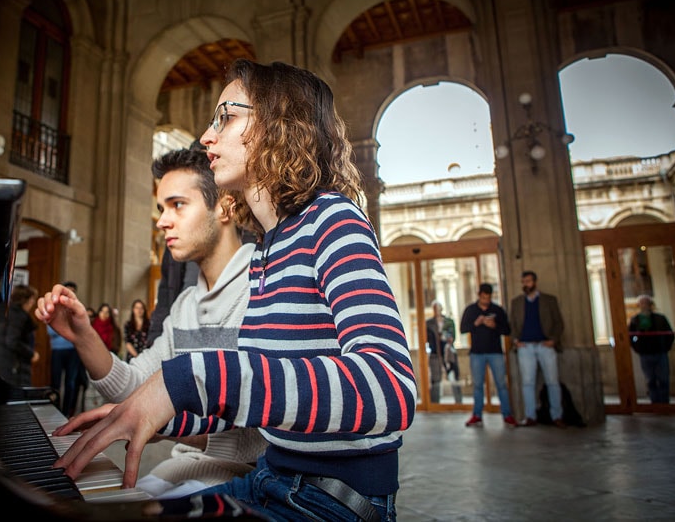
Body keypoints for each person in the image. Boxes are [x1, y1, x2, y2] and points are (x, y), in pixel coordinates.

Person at [51, 59, 415, 522]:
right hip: (273, 477)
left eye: (226, 116)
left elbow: (390, 389)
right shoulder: (268, 248)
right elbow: (251, 402)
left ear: (281, 124)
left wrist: (186, 379)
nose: (207, 136)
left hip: (332, 499)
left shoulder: (333, 220)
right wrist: (144, 413)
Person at [36, 146, 267, 499]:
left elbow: (268, 430)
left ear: (224, 206)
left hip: (252, 486)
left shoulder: (265, 292)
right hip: (184, 470)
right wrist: (83, 335)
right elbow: (135, 388)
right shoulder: (186, 306)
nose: (161, 221)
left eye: (177, 205)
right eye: (161, 208)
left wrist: (164, 421)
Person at [509, 270, 567, 428]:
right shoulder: (517, 302)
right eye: (523, 282)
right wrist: (515, 340)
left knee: (552, 381)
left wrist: (553, 340)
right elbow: (512, 324)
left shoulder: (549, 300)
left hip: (544, 345)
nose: (525, 285)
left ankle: (557, 416)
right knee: (527, 382)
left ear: (535, 282)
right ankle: (530, 416)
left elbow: (558, 323)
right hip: (525, 346)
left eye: (528, 281)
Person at [460, 283, 517, 428]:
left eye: (488, 298)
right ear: (479, 295)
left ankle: (507, 414)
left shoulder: (497, 310)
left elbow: (507, 330)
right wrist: (476, 323)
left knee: (501, 384)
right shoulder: (471, 310)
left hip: (495, 352)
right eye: (483, 297)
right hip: (477, 353)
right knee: (478, 385)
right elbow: (463, 329)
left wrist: (495, 326)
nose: (486, 300)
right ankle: (477, 415)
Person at [628, 294, 674, 404]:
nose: (644, 305)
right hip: (645, 354)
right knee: (650, 380)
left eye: (646, 303)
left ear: (650, 304)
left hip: (660, 352)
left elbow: (669, 334)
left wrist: (665, 347)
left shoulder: (660, 318)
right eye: (642, 303)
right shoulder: (635, 320)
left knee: (663, 379)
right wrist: (638, 348)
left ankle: (664, 403)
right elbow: (630, 336)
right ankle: (655, 403)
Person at [48, 281, 84, 417]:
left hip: (72, 350)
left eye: (73, 290)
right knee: (55, 382)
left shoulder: (77, 309)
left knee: (70, 382)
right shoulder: (54, 308)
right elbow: (51, 331)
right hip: (57, 350)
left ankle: (66, 412)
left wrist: (63, 328)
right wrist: (66, 328)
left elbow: (78, 330)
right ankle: (54, 409)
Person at [0, 284, 39, 386]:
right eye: (32, 299)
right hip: (14, 367)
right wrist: (31, 354)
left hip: (4, 364)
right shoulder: (18, 315)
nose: (33, 302)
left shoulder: (7, 312)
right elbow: (12, 341)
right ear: (25, 300)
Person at [426, 300, 462, 404]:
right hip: (435, 354)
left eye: (438, 308)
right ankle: (435, 404)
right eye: (435, 308)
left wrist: (449, 338)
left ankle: (459, 402)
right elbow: (426, 338)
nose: (437, 310)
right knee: (436, 380)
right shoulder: (429, 323)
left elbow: (453, 336)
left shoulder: (449, 321)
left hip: (448, 353)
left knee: (454, 377)